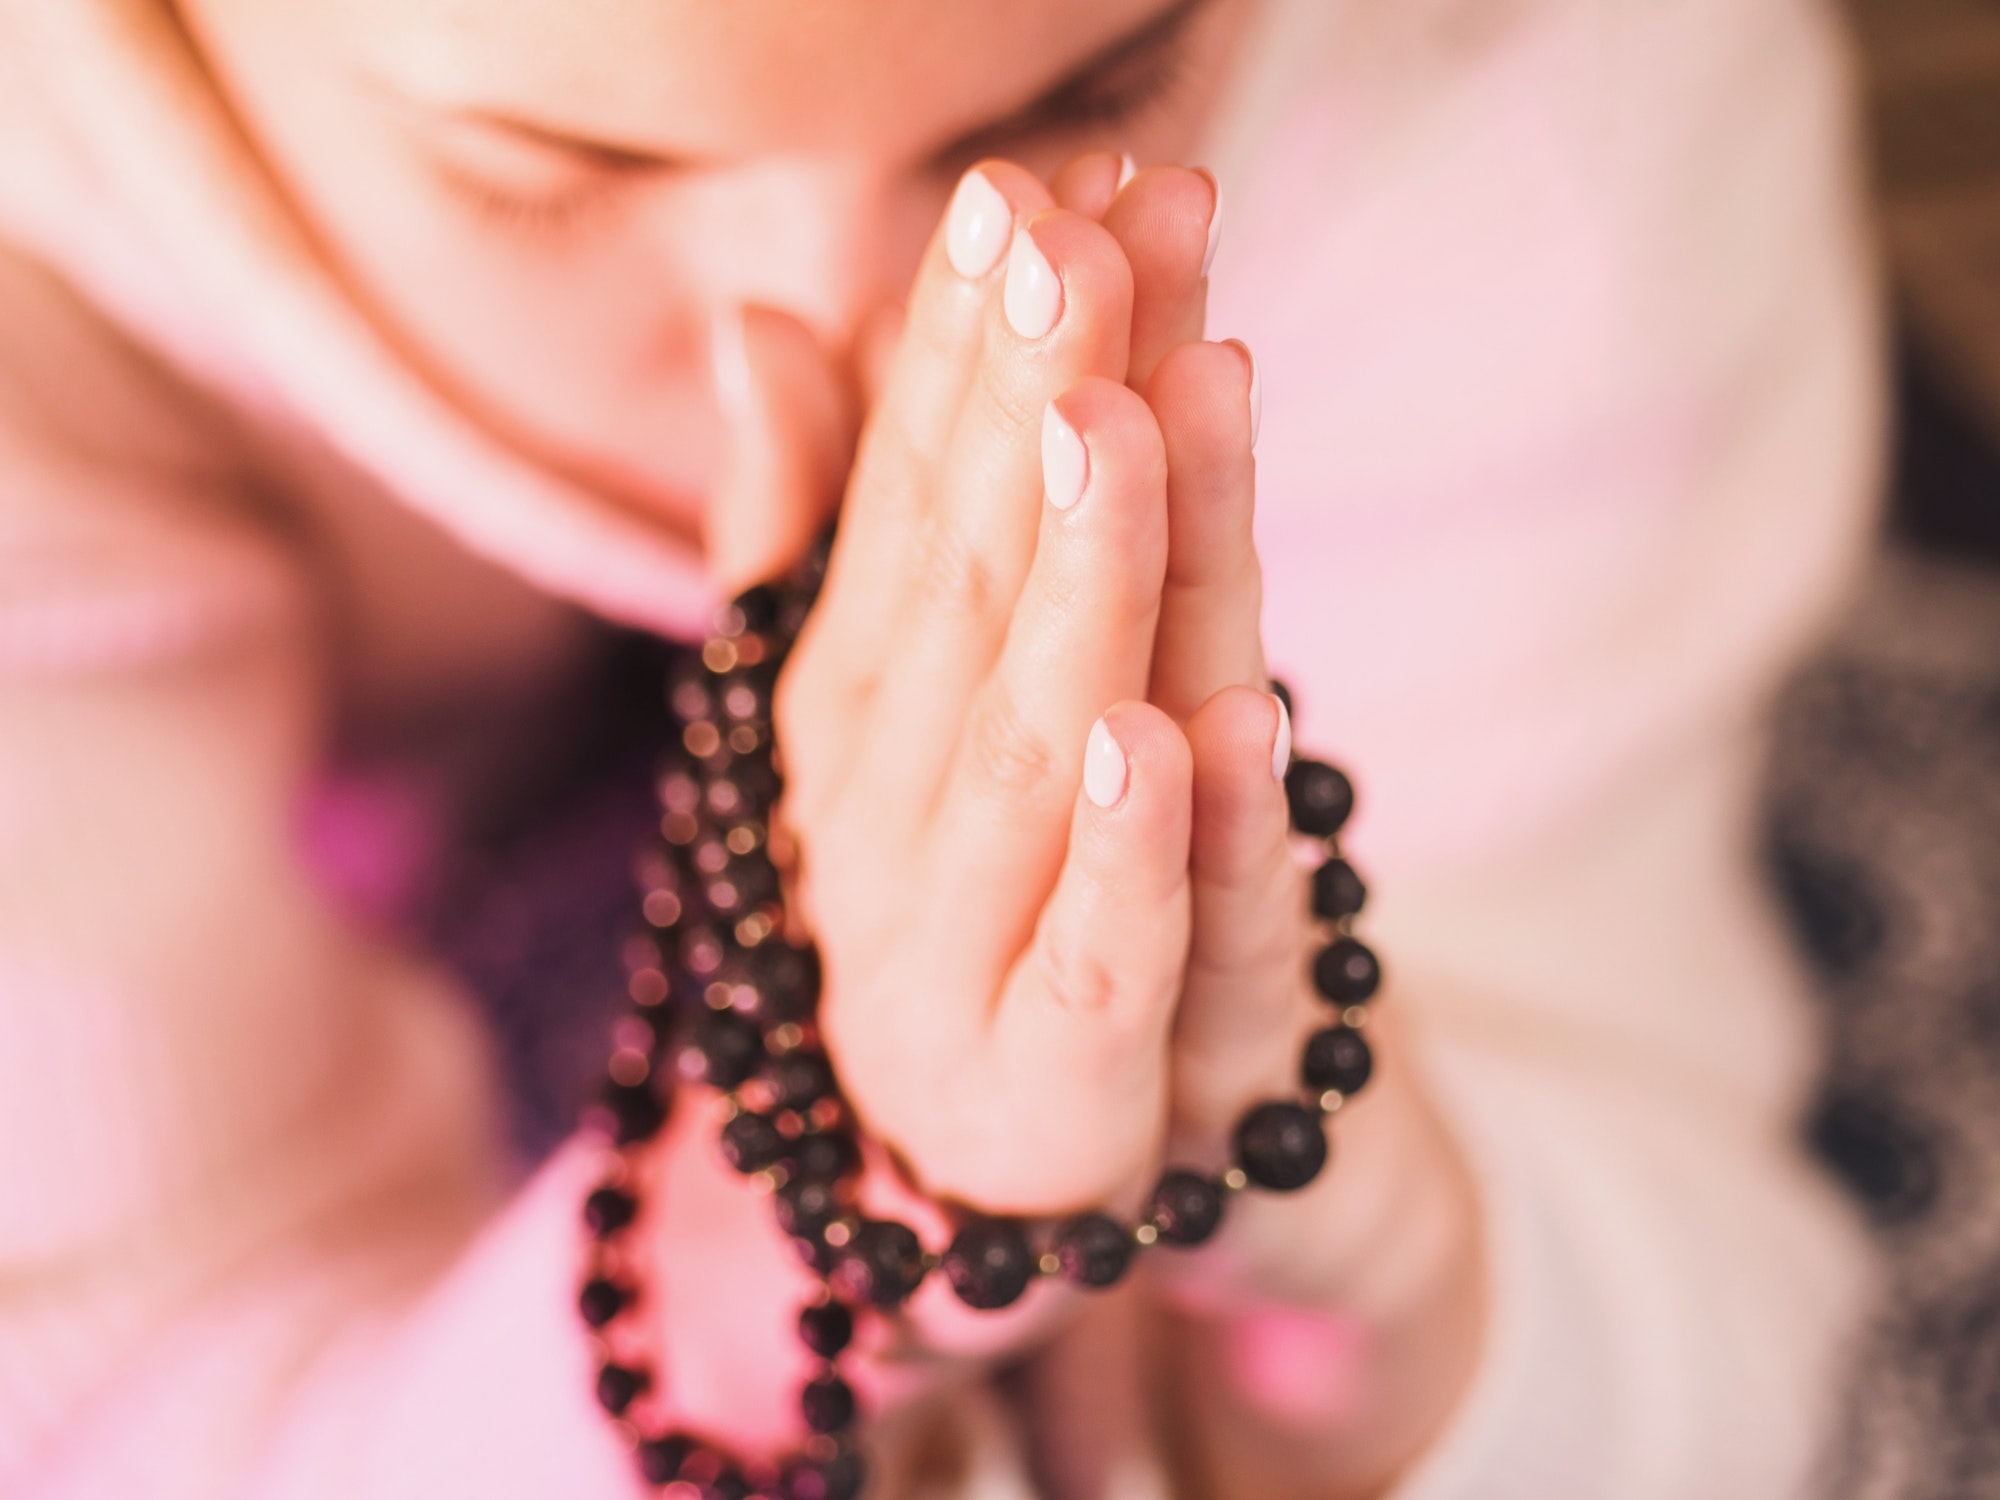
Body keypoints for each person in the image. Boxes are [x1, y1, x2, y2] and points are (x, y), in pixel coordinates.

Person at [0, 0, 1883, 1496]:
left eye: (1092, 82)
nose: (837, 323)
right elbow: (105, 1408)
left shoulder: (1531, 115)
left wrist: (1401, 1260)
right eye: (550, 166)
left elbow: (1712, 1325)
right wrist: (746, 1280)